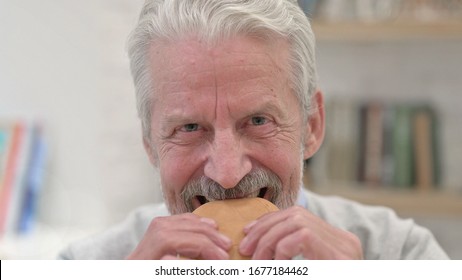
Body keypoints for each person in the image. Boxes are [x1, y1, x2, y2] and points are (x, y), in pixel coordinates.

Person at [58, 0, 448, 260]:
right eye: (189, 127)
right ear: (149, 143)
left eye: (258, 121)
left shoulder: (400, 252)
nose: (227, 175)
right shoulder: (87, 264)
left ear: (312, 125)